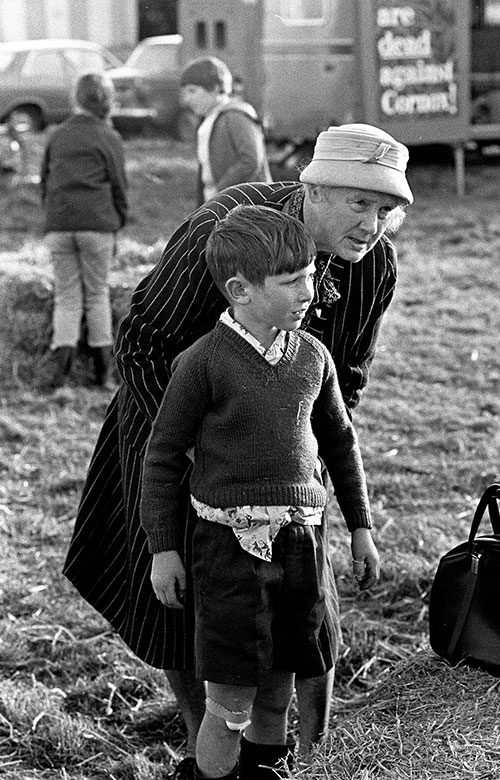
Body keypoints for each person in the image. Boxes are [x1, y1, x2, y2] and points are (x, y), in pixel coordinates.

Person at [63, 123, 413, 779]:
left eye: (386, 208)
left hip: (281, 475)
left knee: (297, 620)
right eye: (359, 203)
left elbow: (348, 380)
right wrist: (203, 454)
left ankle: (275, 755)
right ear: (311, 189)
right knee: (184, 608)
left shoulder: (377, 267)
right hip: (175, 430)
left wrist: (303, 460)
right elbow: (140, 343)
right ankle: (205, 748)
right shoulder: (226, 227)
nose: (373, 224)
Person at [140, 204, 378, 779]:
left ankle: (265, 773)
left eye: (311, 275)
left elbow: (340, 445)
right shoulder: (202, 364)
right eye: (292, 281)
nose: (310, 289)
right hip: (227, 554)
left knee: (279, 693)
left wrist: (361, 527)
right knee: (228, 708)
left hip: (302, 545)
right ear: (240, 290)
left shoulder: (313, 358)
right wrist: (163, 547)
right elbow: (162, 458)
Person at [40, 71, 128, 389]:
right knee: (97, 294)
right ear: (106, 102)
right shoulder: (108, 137)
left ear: (75, 100)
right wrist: (119, 220)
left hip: (59, 226)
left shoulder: (57, 135)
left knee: (66, 297)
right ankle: (102, 374)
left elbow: (45, 181)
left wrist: (52, 216)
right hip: (97, 226)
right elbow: (119, 185)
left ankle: (61, 375)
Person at [179, 56, 272, 206]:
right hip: (219, 205)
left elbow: (250, 160)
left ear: (215, 88)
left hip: (245, 208)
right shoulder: (208, 120)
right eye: (185, 93)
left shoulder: (235, 116)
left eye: (192, 91)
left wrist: (220, 193)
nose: (187, 99)